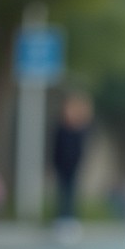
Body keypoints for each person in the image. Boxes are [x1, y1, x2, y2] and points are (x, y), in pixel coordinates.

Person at [51, 93, 93, 236]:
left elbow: (81, 150)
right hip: (61, 166)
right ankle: (61, 222)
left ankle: (70, 222)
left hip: (74, 167)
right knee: (62, 194)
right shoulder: (61, 128)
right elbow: (55, 149)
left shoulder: (80, 130)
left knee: (71, 194)